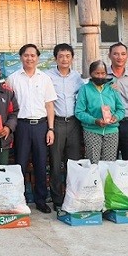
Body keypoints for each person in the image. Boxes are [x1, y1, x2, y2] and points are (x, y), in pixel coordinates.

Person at [7, 44, 56, 213]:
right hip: (21, 126)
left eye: (33, 55)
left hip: (41, 126)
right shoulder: (12, 78)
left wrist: (51, 129)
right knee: (19, 164)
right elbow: (9, 106)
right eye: (26, 55)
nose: (29, 58)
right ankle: (18, 200)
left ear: (38, 58)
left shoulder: (45, 78)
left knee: (41, 164)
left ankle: (40, 200)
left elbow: (49, 105)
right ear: (21, 57)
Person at [46, 43, 83, 208]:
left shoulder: (77, 77)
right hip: (57, 123)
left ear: (72, 58)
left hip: (74, 123)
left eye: (68, 56)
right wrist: (51, 128)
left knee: (73, 163)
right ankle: (57, 199)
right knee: (55, 163)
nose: (64, 59)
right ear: (55, 58)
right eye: (61, 56)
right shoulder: (47, 77)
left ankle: (72, 197)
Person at [75, 60, 125, 164]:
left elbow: (121, 109)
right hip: (92, 131)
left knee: (109, 164)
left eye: (103, 73)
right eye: (97, 73)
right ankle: (94, 181)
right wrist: (94, 120)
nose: (100, 76)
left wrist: (116, 117)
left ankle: (107, 181)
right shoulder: (84, 89)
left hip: (111, 131)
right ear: (91, 74)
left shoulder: (112, 88)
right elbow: (79, 112)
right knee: (93, 163)